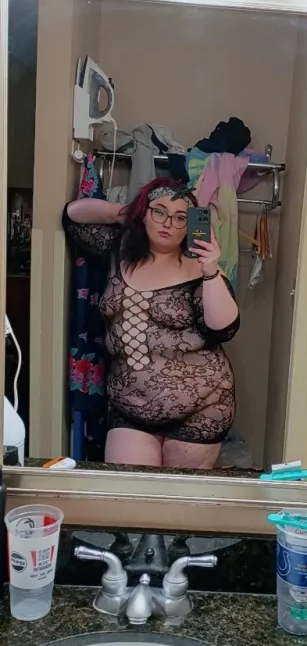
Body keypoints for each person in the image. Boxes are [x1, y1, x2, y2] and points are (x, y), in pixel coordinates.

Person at [63, 177, 240, 469]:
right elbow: (73, 215)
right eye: (159, 211)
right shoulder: (119, 250)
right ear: (144, 213)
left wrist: (211, 270)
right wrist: (120, 213)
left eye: (181, 217)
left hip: (201, 407)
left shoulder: (201, 267)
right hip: (129, 406)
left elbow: (224, 329)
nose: (168, 223)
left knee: (177, 495)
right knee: (128, 490)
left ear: (189, 225)